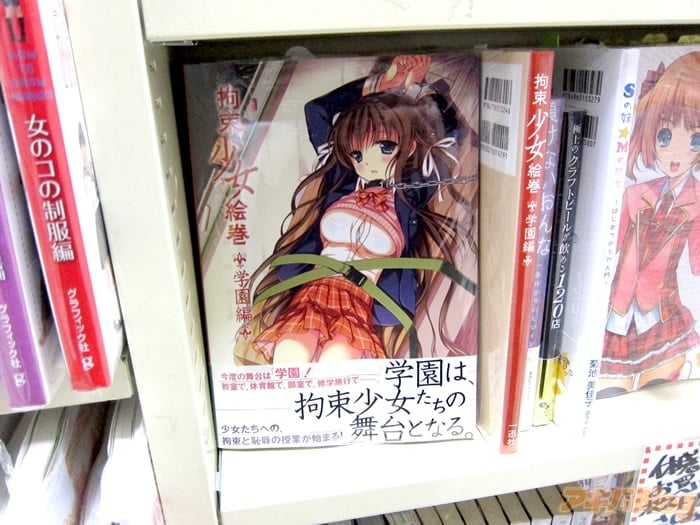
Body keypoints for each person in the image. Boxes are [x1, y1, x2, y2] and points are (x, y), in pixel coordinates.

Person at [242, 55, 478, 365]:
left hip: (362, 302)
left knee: (337, 362)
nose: (369, 162)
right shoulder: (340, 178)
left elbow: (453, 133)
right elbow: (317, 111)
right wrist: (379, 86)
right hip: (310, 292)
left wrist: (419, 89)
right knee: (290, 354)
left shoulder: (413, 189)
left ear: (408, 148)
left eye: (385, 148)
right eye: (357, 153)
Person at [598, 51, 700, 398]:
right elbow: (604, 249)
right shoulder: (634, 194)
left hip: (662, 310)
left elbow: (697, 262)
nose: (676, 154)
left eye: (695, 140)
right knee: (610, 392)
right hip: (618, 308)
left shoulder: (696, 202)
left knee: (658, 389)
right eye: (665, 136)